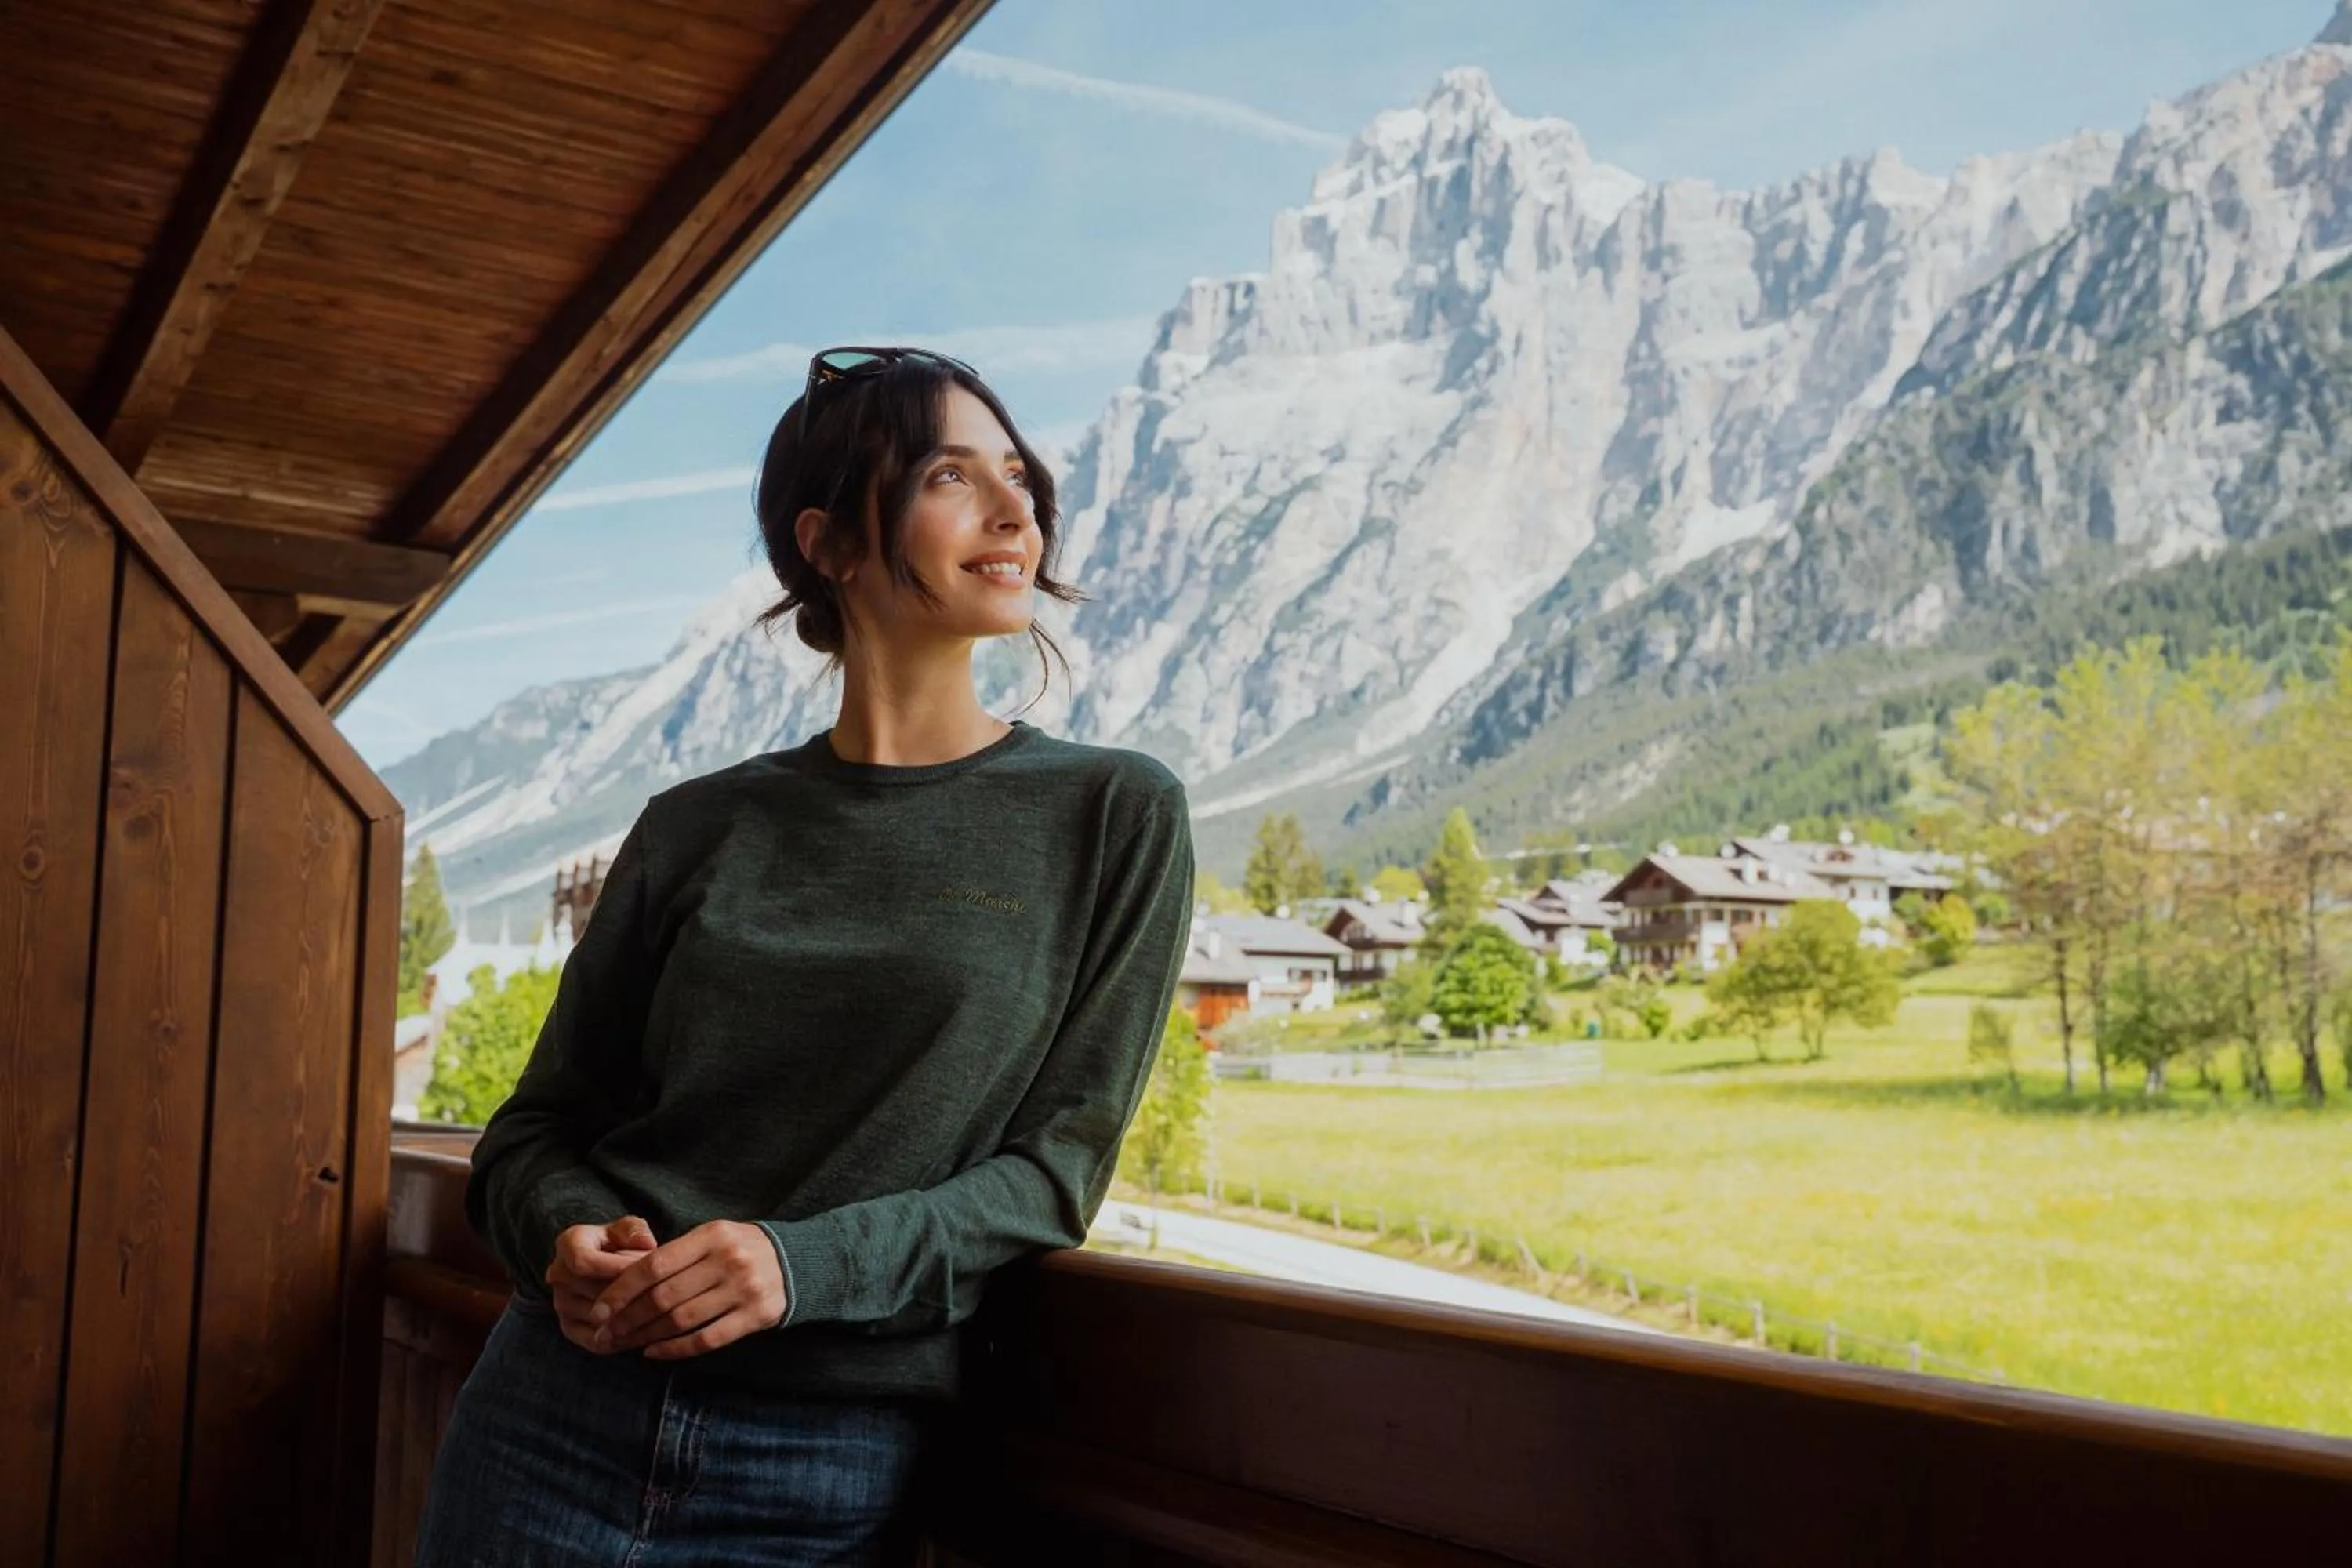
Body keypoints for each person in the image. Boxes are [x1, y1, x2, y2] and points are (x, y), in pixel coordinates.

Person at [413, 347, 1196, 1566]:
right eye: (953, 474)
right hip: (551, 1413)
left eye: (1020, 479)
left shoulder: (1113, 812)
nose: (1016, 512)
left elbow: (1054, 1176)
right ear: (828, 543)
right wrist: (562, 1239)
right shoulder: (697, 824)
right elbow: (534, 1134)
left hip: (826, 1464)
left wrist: (799, 1266)